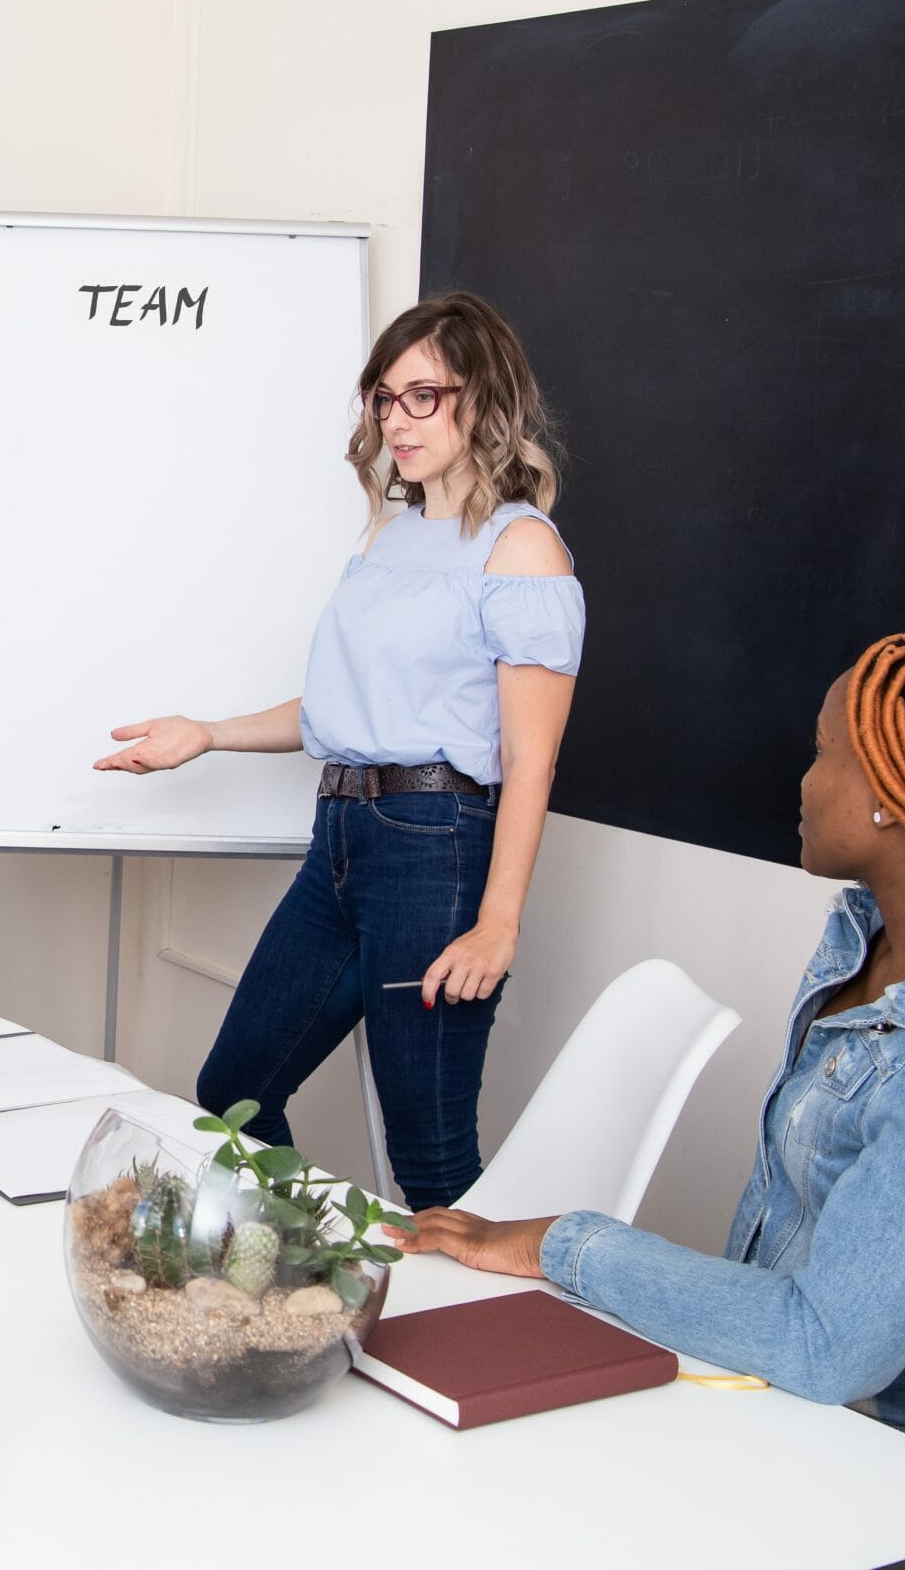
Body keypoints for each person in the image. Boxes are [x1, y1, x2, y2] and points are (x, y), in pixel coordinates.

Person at [392, 628, 905, 1485]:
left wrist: (557, 1242)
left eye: (824, 752)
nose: (805, 778)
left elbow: (826, 1343)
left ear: (894, 793)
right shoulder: (873, 943)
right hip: (790, 1410)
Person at [96, 292, 582, 1208]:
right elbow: (341, 711)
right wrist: (209, 734)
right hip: (342, 840)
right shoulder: (390, 536)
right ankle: (307, 1275)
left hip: (437, 848)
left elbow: (532, 759)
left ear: (484, 398)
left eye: (422, 396)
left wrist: (498, 922)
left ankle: (475, 1347)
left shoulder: (524, 553)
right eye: (384, 398)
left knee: (431, 1157)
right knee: (234, 1093)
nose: (395, 419)